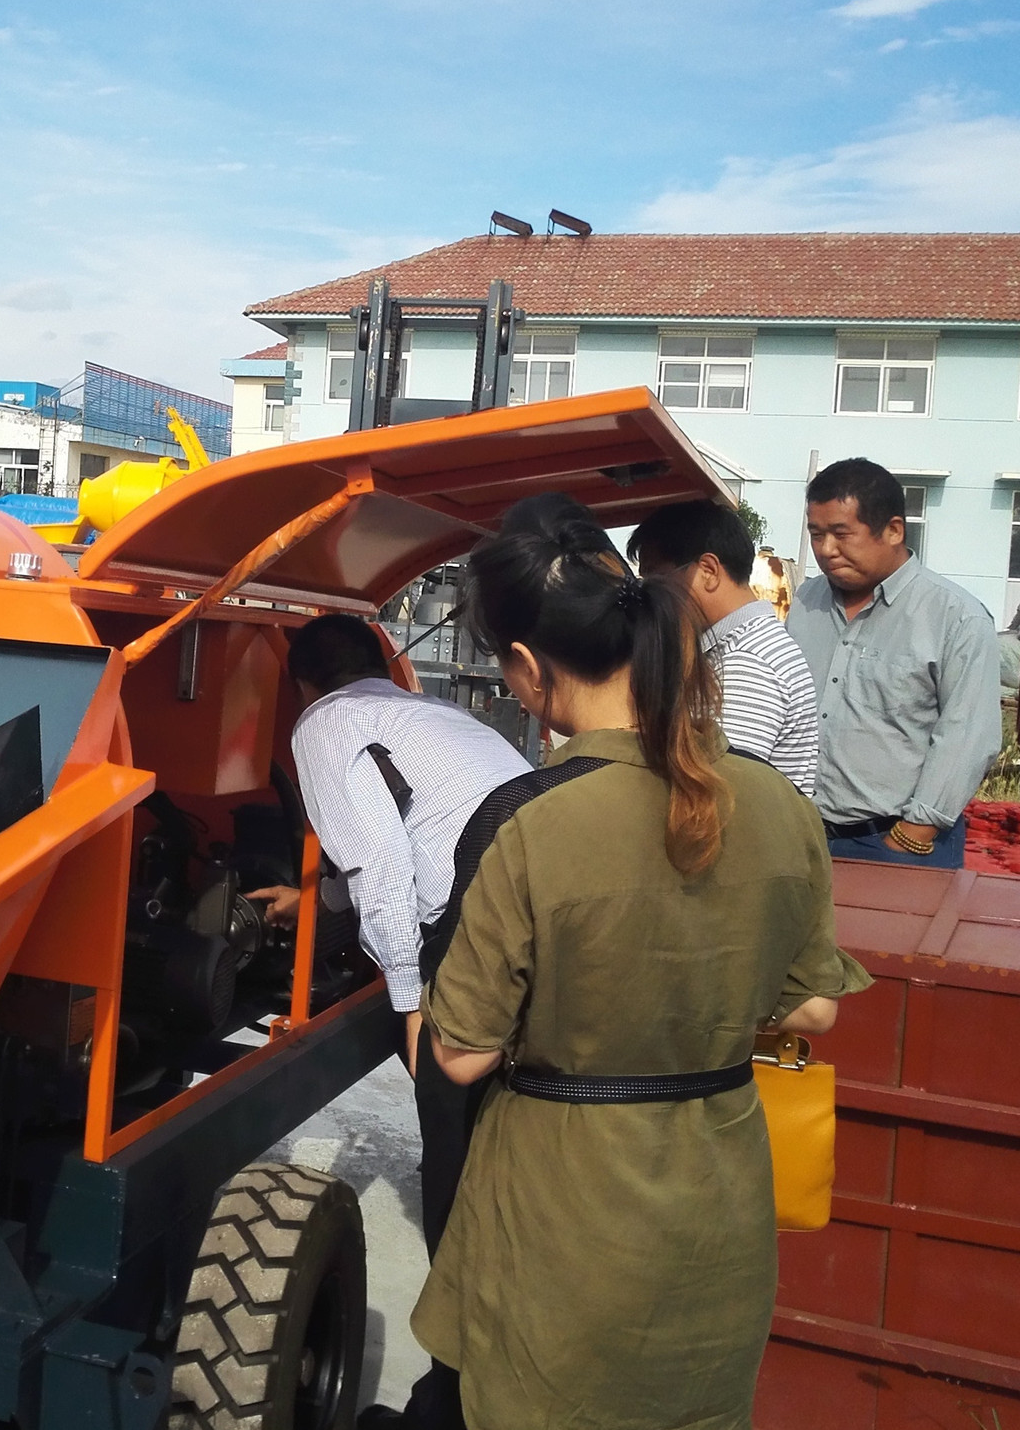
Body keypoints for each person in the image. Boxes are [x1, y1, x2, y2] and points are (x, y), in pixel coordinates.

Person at [408, 493, 869, 1430]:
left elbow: (458, 1053)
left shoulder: (529, 820)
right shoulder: (779, 805)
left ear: (529, 670)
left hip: (566, 1219)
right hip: (719, 1211)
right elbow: (816, 1008)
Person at [246, 612, 528, 1430]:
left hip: (471, 931)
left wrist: (409, 1001)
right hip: (530, 899)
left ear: (301, 683)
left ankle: (455, 1400)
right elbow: (410, 831)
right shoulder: (428, 713)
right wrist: (313, 903)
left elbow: (384, 866)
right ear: (380, 661)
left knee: (454, 1158)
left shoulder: (324, 724)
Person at [788, 458, 1002, 868]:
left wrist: (913, 833)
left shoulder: (956, 618)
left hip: (897, 842)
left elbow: (969, 737)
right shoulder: (805, 602)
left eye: (840, 534)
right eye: (816, 535)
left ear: (893, 530)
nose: (826, 550)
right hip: (801, 834)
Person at [628, 499, 819, 796]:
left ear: (708, 570)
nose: (649, 594)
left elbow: (717, 789)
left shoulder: (747, 663)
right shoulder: (740, 646)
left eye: (655, 578)